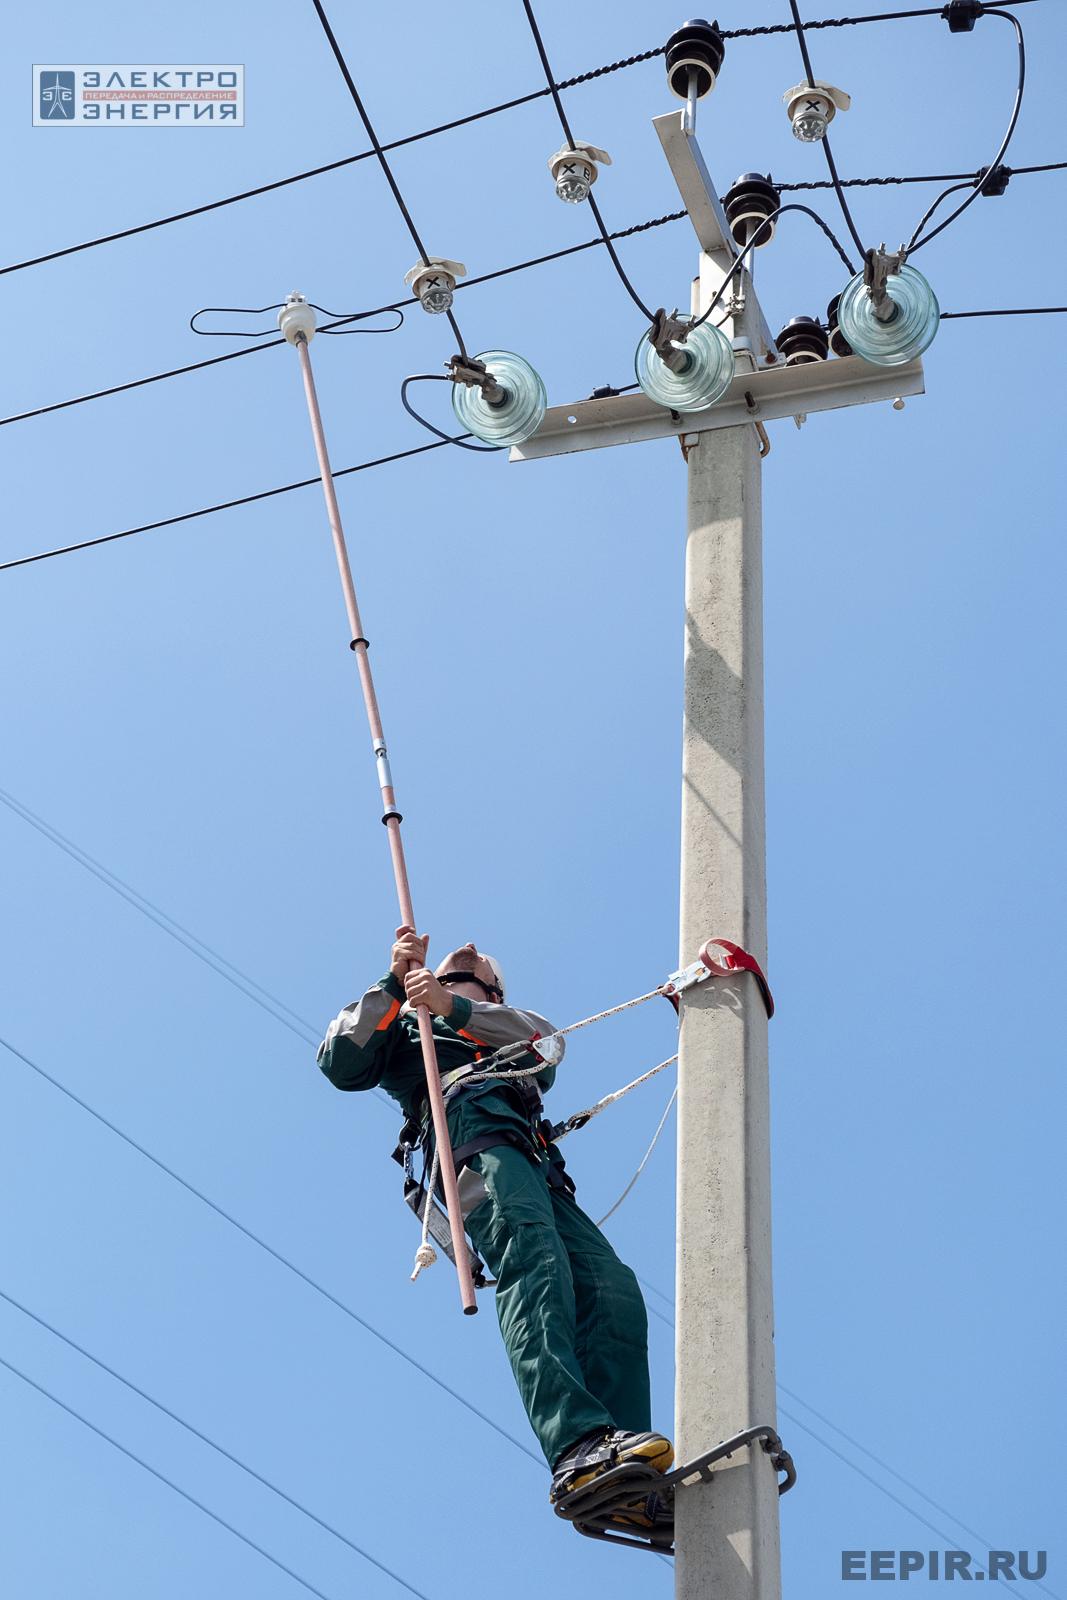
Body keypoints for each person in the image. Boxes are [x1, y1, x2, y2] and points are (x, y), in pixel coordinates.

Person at [317, 926, 674, 1509]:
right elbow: (340, 1061)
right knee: (530, 1257)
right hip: (471, 1144)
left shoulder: (502, 1023)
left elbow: (547, 1048)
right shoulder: (403, 1024)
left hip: (534, 1163)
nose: (469, 944)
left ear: (493, 990)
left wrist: (451, 1005)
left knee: (611, 1288)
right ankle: (577, 1442)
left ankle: (626, 1467)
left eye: (477, 966)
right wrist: (394, 983)